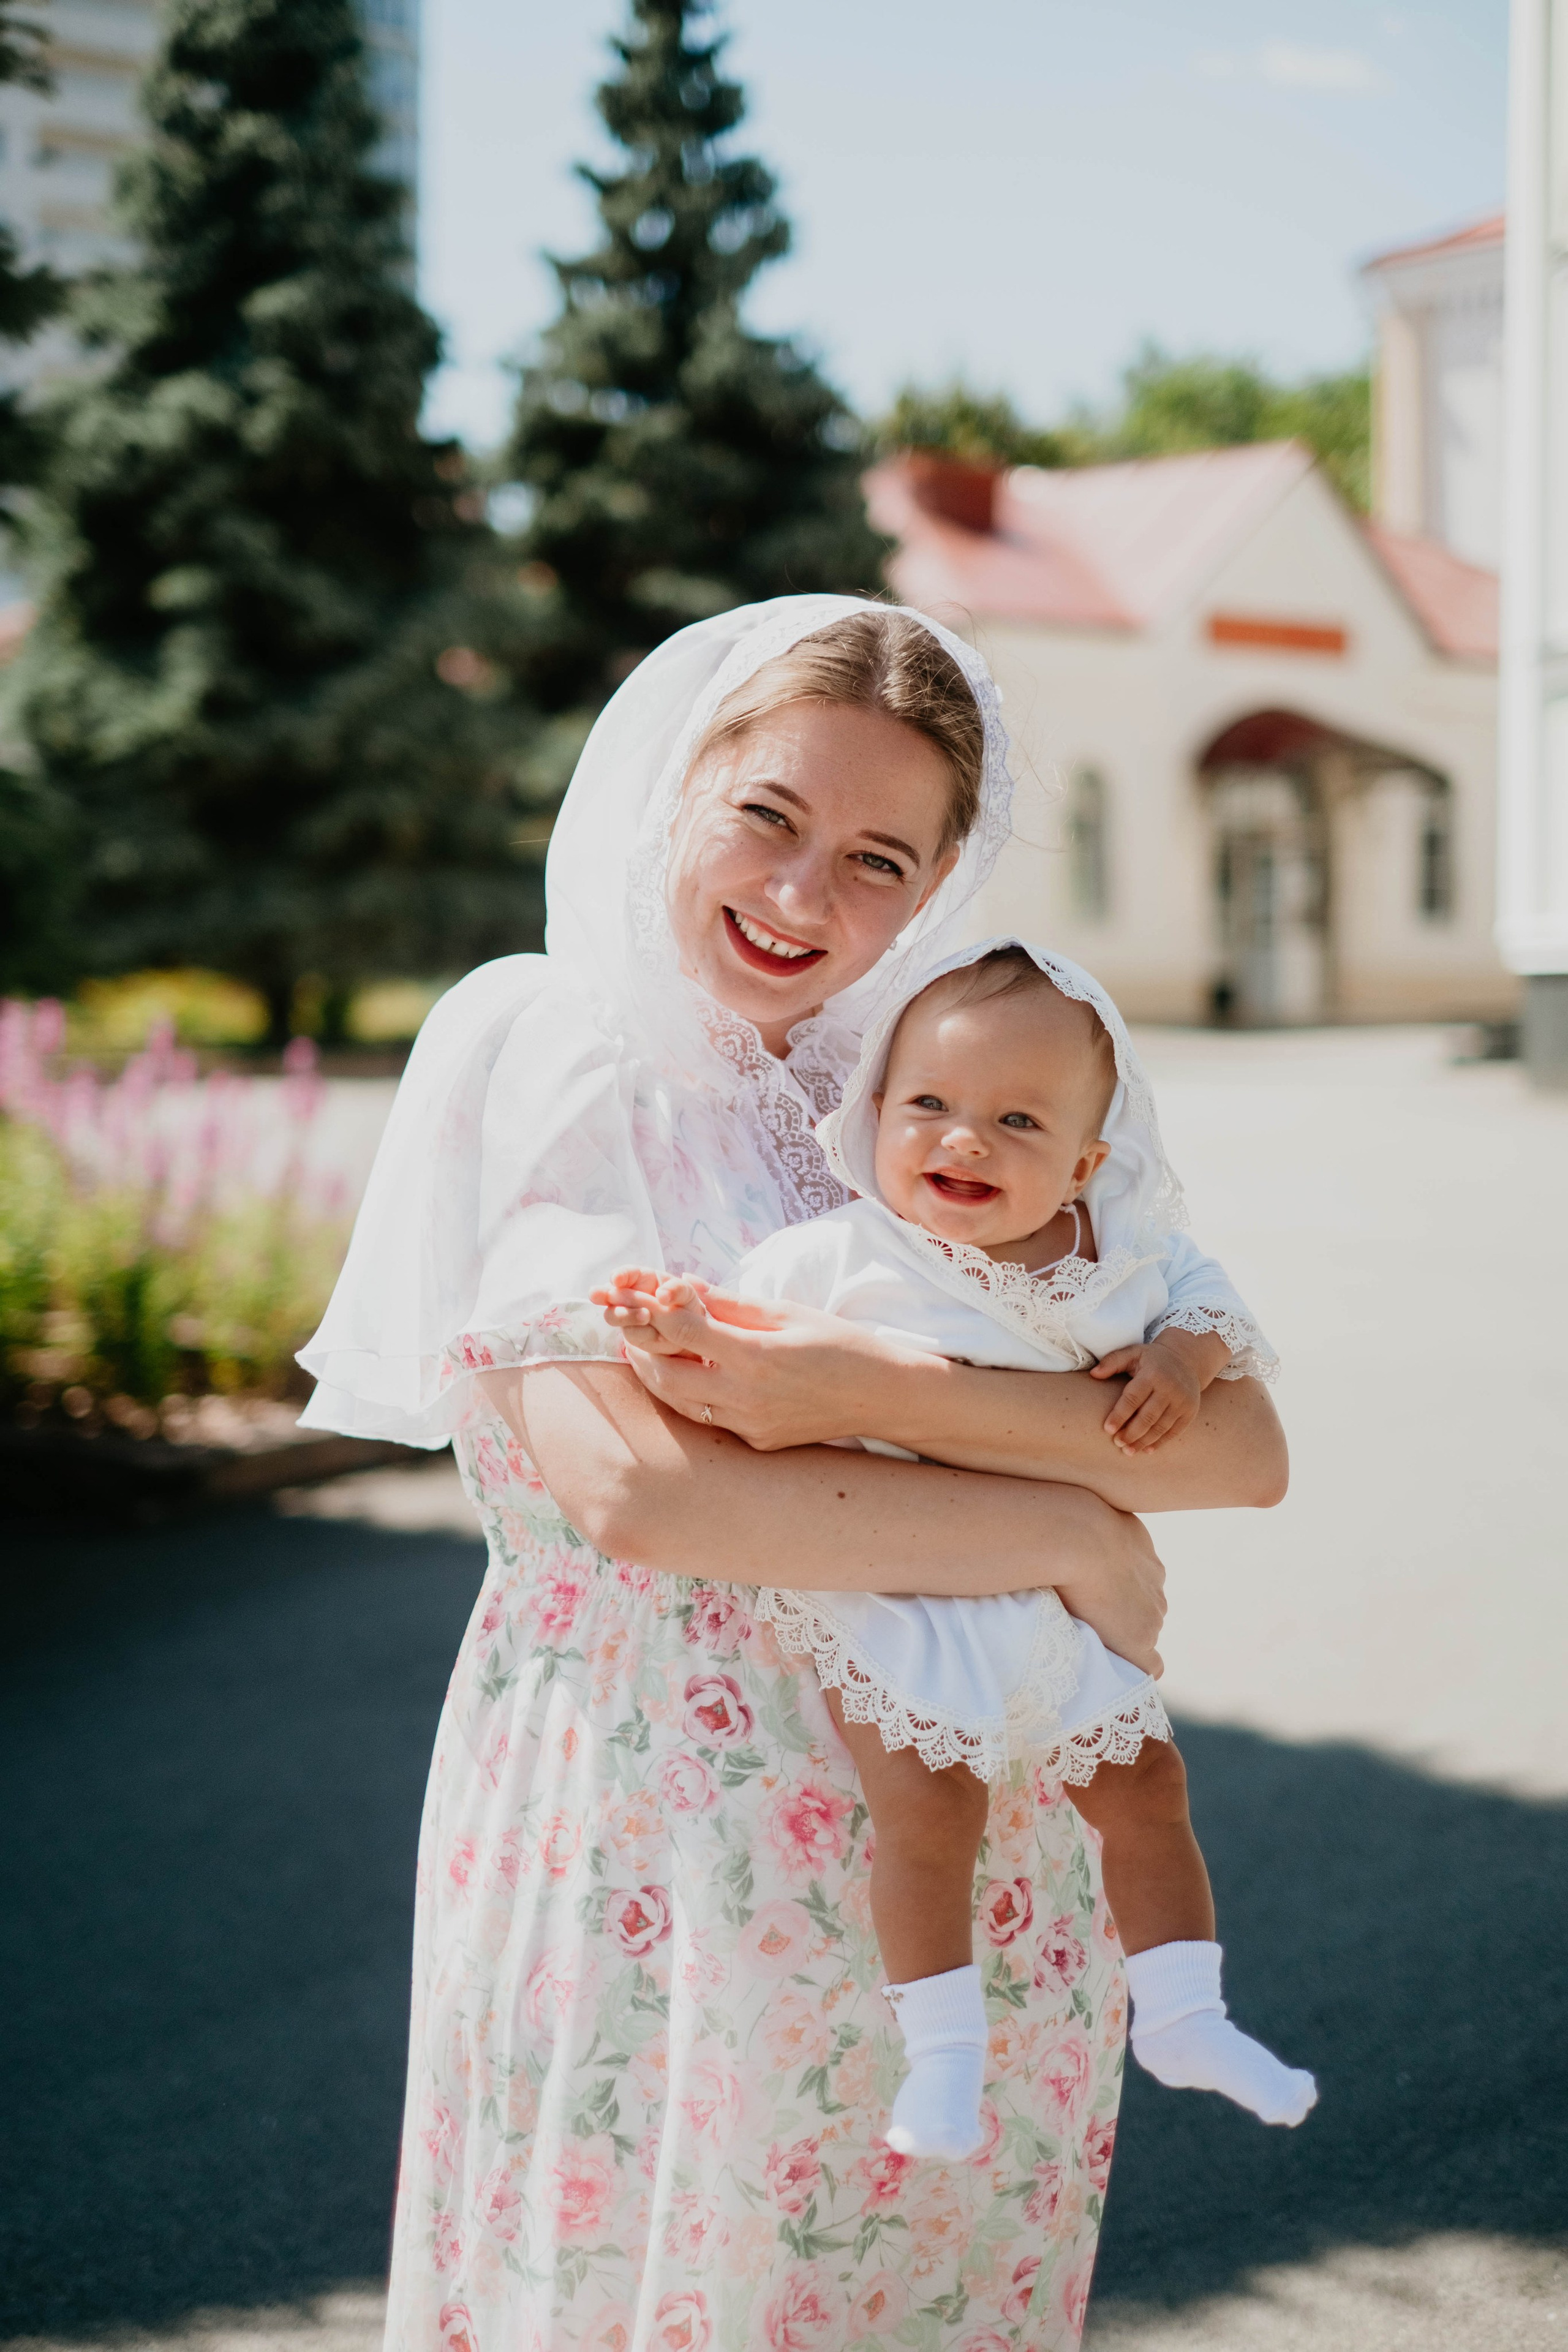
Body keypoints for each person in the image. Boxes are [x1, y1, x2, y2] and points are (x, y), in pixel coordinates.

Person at [299, 598, 1287, 2352]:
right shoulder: (556, 1044)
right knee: (685, 2285)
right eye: (769, 816)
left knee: (929, 2288)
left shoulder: (934, 1076)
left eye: (879, 859)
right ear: (679, 784)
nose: (806, 897)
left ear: (937, 890)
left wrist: (843, 1384)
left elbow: (1236, 1447)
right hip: (669, 1828)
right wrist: (1062, 1526)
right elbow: (641, 1492)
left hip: (979, 1832)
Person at [597, 939, 1317, 2170]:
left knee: (1146, 1793)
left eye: (1015, 1119)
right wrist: (675, 1323)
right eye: (925, 1104)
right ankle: (941, 2057)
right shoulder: (845, 1255)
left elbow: (1210, 1310)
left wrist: (1178, 1363)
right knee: (929, 1812)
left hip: (1050, 1605)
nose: (961, 1140)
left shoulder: (1116, 1261)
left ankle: (1186, 2018)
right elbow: (736, 1333)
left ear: (1085, 1163)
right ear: (874, 1112)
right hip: (898, 1585)